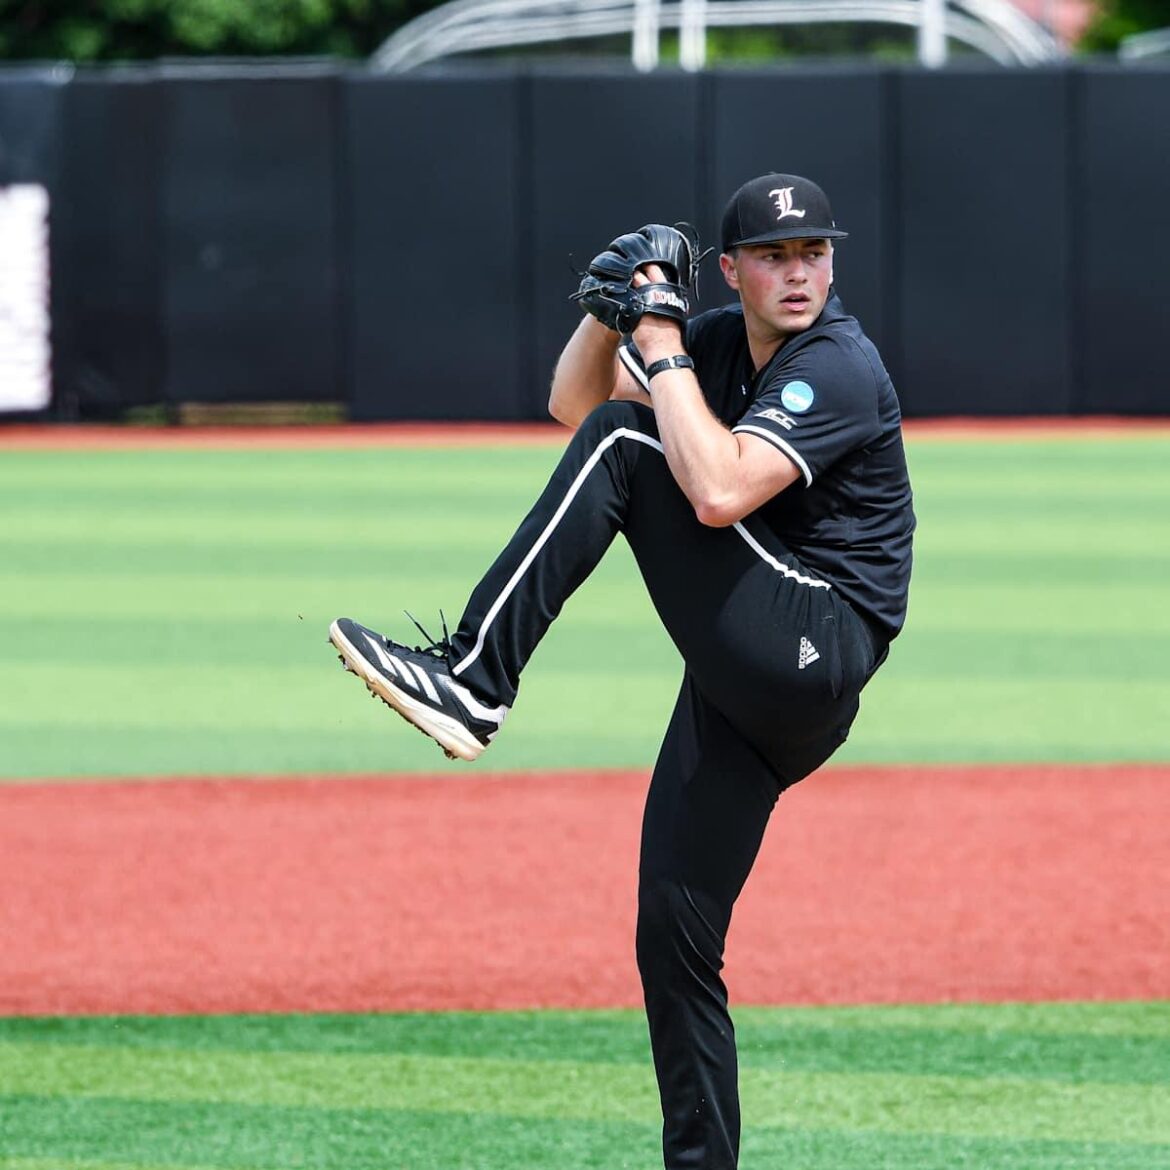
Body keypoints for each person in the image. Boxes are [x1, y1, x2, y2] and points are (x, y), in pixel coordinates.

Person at [330, 172, 915, 1169]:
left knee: (631, 446)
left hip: (814, 644)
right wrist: (611, 317)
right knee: (673, 939)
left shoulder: (840, 362)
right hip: (746, 685)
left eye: (813, 251)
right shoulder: (723, 341)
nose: (797, 270)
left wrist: (660, 338)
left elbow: (721, 488)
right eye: (773, 255)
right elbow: (572, 402)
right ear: (729, 271)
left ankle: (472, 680)